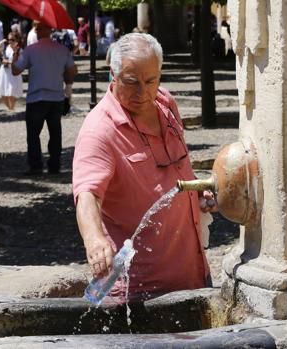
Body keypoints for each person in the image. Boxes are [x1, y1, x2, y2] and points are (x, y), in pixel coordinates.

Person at [72, 33, 216, 303]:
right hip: (138, 289)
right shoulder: (99, 130)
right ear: (113, 75)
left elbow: (178, 166)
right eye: (131, 82)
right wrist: (94, 239)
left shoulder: (165, 104)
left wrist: (199, 191)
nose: (143, 93)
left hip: (193, 274)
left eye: (151, 81)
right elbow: (87, 194)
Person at [12, 22, 77, 175]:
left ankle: (36, 166)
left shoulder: (30, 50)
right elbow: (73, 70)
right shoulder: (62, 50)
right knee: (55, 133)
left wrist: (16, 55)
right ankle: (54, 165)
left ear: (38, 31)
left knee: (33, 134)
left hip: (36, 97)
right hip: (56, 96)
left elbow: (16, 71)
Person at [0, 32, 23, 110]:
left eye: (12, 39)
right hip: (4, 72)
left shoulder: (19, 50)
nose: (10, 41)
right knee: (3, 94)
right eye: (9, 39)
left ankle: (12, 108)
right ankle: (10, 109)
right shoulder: (6, 47)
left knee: (11, 93)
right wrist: (3, 41)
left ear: (17, 40)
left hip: (13, 71)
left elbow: (20, 62)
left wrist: (8, 62)